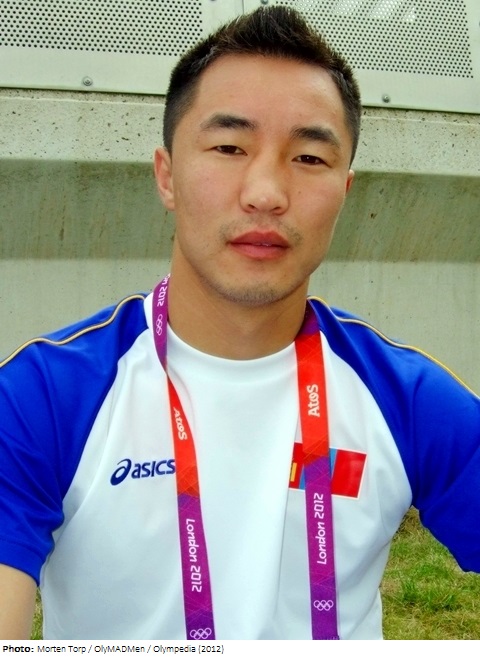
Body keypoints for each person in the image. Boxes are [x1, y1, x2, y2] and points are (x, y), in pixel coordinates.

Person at [0, 5, 479, 641]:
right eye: (229, 147)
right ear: (167, 176)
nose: (266, 192)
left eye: (309, 157)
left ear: (345, 192)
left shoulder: (405, 395)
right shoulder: (43, 395)